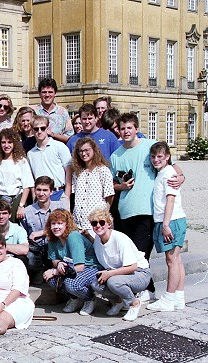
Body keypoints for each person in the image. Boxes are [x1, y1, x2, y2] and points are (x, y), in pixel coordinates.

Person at [110, 112, 184, 303]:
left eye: (129, 128)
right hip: (125, 211)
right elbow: (112, 184)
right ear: (118, 130)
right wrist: (122, 186)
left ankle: (147, 290)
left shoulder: (150, 146)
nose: (126, 132)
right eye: (122, 128)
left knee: (142, 254)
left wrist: (181, 178)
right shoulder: (116, 155)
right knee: (132, 254)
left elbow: (174, 168)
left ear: (136, 129)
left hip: (147, 210)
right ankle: (146, 288)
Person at [89, 207, 151, 321]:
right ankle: (118, 301)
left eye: (102, 222)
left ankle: (134, 303)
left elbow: (133, 267)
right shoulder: (98, 240)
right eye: (94, 223)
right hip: (119, 274)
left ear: (109, 224)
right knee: (94, 282)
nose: (98, 225)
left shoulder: (120, 239)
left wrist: (109, 274)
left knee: (114, 282)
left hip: (140, 273)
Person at [147, 142, 186, 312]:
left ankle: (169, 298)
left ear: (168, 157)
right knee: (176, 260)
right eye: (154, 157)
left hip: (171, 220)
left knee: (171, 260)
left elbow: (170, 199)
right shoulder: (163, 172)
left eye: (160, 157)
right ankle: (178, 296)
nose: (156, 160)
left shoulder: (168, 173)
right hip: (172, 219)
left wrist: (166, 224)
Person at [41, 210, 100, 316]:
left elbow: (80, 266)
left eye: (60, 223)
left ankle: (89, 299)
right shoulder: (52, 238)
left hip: (90, 268)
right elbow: (54, 259)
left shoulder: (73, 236)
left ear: (67, 224)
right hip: (70, 268)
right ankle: (75, 298)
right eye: (53, 223)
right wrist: (58, 264)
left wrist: (55, 271)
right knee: (48, 277)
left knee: (72, 284)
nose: (56, 227)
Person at [0, 128, 33, 226]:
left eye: (10, 142)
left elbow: (27, 186)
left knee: (10, 226)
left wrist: (21, 206)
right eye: (3, 142)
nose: (6, 145)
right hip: (1, 199)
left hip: (16, 199)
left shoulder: (21, 161)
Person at [21, 176, 63, 282]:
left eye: (45, 190)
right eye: (38, 190)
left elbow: (67, 229)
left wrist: (41, 233)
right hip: (35, 250)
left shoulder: (60, 208)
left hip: (54, 247)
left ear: (51, 192)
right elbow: (24, 234)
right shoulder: (27, 211)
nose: (41, 193)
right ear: (34, 190)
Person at [71, 137, 115, 237]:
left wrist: (104, 213)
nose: (83, 153)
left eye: (86, 150)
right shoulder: (77, 173)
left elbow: (110, 195)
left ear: (94, 150)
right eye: (80, 151)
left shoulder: (103, 170)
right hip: (79, 223)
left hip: (96, 223)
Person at [27, 115, 72, 210]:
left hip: (59, 194)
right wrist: (34, 197)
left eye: (42, 128)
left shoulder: (60, 147)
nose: (39, 131)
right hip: (40, 197)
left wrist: (67, 196)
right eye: (36, 129)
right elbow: (31, 178)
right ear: (32, 130)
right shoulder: (30, 154)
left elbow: (69, 171)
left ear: (47, 129)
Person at [32, 78, 73, 143]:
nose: (47, 95)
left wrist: (53, 135)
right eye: (44, 92)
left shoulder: (63, 112)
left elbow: (70, 138)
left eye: (50, 92)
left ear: (55, 93)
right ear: (39, 93)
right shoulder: (33, 111)